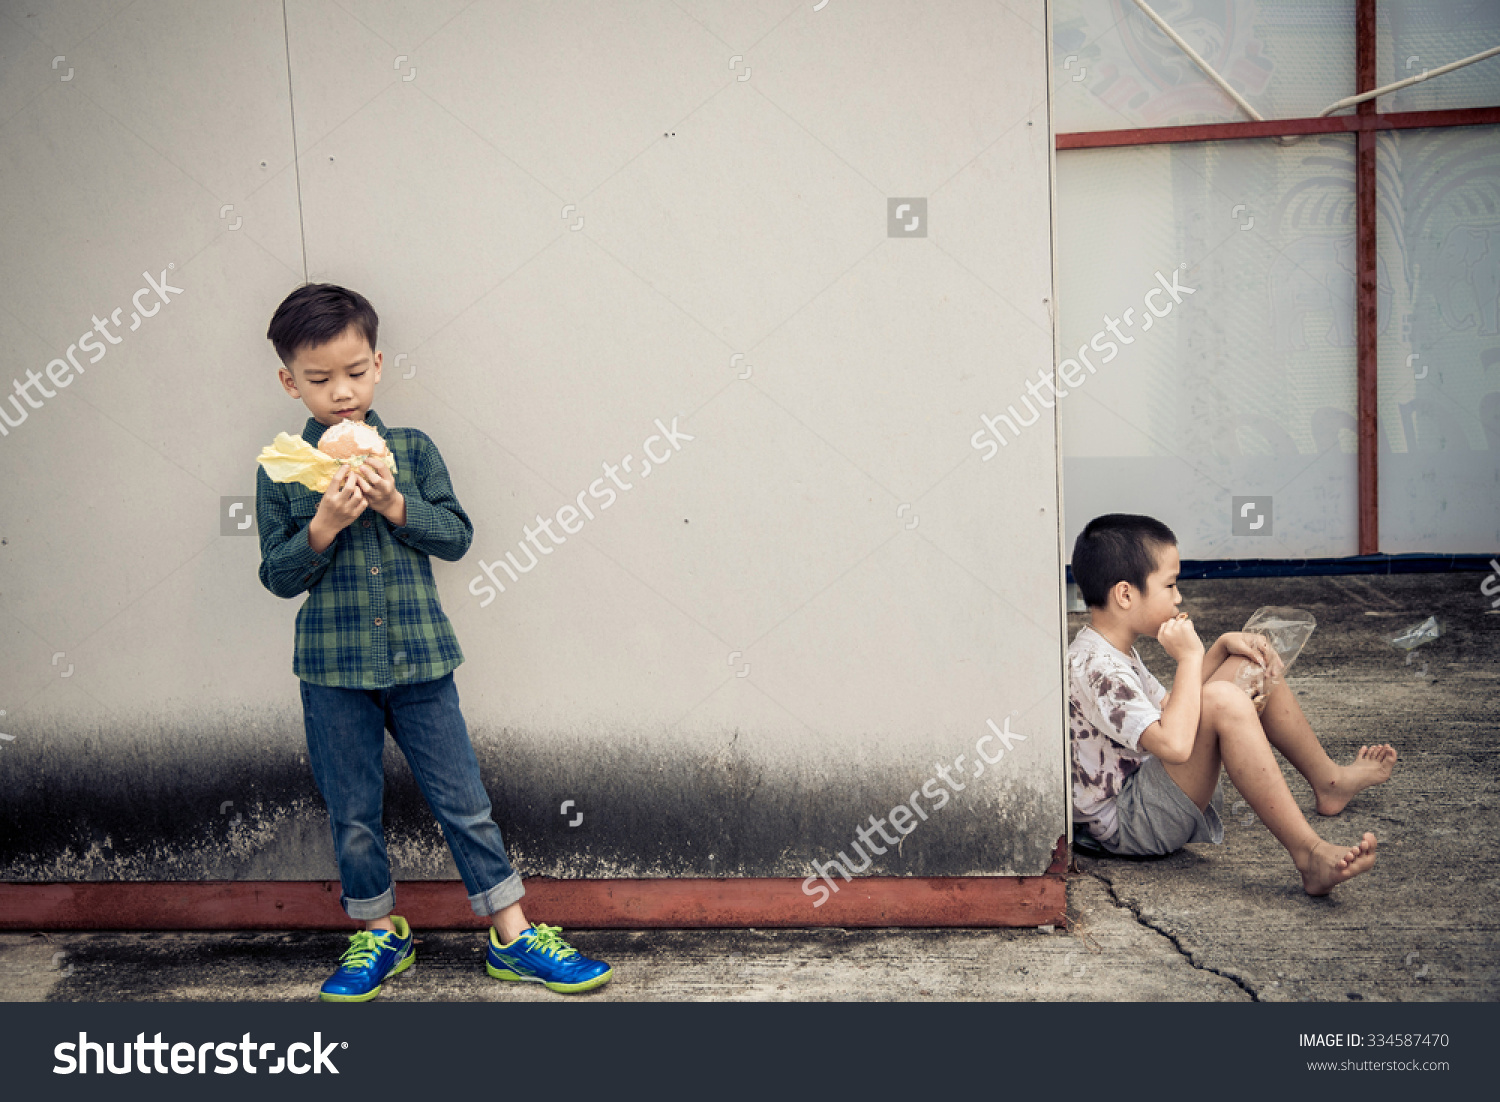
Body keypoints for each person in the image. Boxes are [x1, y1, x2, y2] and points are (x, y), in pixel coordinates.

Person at [256, 283, 612, 1000]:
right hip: (331, 670)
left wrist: (394, 502)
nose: (342, 392)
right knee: (353, 813)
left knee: (464, 802)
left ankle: (512, 934)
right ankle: (379, 932)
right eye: (320, 380)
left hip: (422, 661)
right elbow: (277, 575)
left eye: (355, 372)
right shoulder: (284, 467)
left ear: (379, 365)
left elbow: (456, 536)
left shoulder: (413, 450)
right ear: (291, 382)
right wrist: (324, 524)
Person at [1067, 513, 1397, 896]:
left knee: (1251, 665)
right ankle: (1309, 854)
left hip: (1147, 788)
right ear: (1125, 595)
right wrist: (1190, 658)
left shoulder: (1110, 651)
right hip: (1128, 822)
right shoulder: (1098, 670)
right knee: (1223, 700)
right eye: (1170, 585)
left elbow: (1172, 709)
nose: (1178, 597)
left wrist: (1221, 647)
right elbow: (1175, 744)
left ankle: (1329, 781)